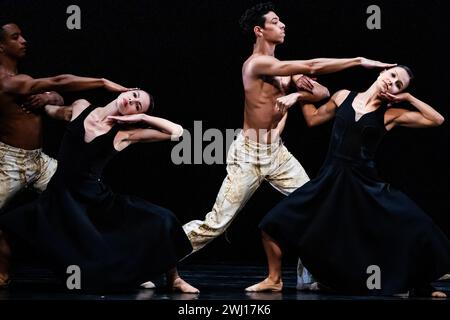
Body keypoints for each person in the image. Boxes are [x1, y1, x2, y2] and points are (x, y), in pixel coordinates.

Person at [182, 2, 395, 289]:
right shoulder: (256, 64)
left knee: (314, 208)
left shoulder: (284, 70)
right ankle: (156, 258)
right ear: (260, 30)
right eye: (275, 21)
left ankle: (305, 279)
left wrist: (297, 96)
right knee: (216, 224)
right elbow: (311, 66)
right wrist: (358, 60)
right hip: (248, 154)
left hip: (278, 153)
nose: (282, 25)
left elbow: (322, 91)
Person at [247, 65, 450, 297]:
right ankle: (274, 279)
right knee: (270, 224)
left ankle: (420, 284)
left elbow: (437, 120)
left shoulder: (389, 115)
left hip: (365, 185)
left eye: (398, 84)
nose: (392, 83)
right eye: (392, 76)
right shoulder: (343, 96)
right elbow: (313, 119)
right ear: (382, 73)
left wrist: (408, 97)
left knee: (414, 226)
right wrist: (301, 94)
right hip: (329, 181)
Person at [0, 90, 198, 293]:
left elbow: (177, 132)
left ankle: (174, 278)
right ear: (129, 90)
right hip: (59, 198)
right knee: (7, 227)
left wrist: (142, 117)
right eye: (135, 95)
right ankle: (3, 277)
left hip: (94, 201)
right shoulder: (80, 107)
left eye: (137, 105)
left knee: (162, 219)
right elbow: (52, 110)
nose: (131, 101)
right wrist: (41, 101)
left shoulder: (124, 134)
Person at [0, 21, 127, 210]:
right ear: (1, 46)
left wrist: (45, 98)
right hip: (9, 163)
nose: (24, 41)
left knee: (85, 196)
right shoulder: (8, 82)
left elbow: (57, 98)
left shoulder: (22, 78)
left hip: (38, 161)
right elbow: (58, 82)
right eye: (15, 37)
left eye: (22, 35)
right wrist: (102, 82)